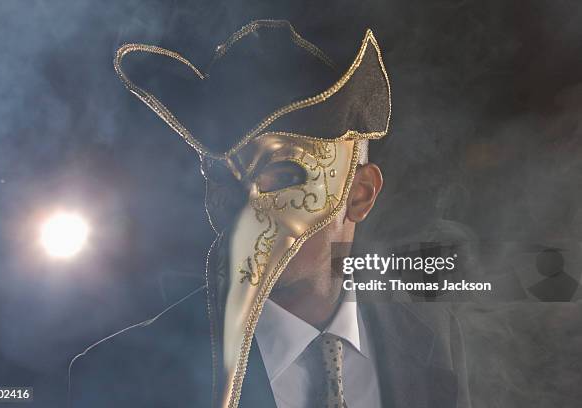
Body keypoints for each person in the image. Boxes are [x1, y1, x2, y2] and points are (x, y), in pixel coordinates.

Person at [69, 20, 470, 408]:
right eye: (222, 181)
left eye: (280, 176)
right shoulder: (123, 375)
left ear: (359, 195)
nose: (247, 213)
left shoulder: (430, 340)